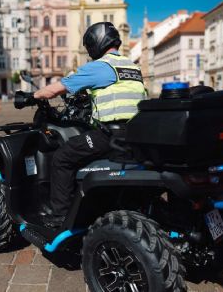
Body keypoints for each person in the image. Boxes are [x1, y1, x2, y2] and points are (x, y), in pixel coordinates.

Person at [33, 22, 146, 227]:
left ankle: (60, 215)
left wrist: (32, 96)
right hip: (135, 134)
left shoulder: (100, 66)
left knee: (62, 158)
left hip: (110, 136)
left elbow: (54, 90)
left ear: (95, 44)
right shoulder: (131, 66)